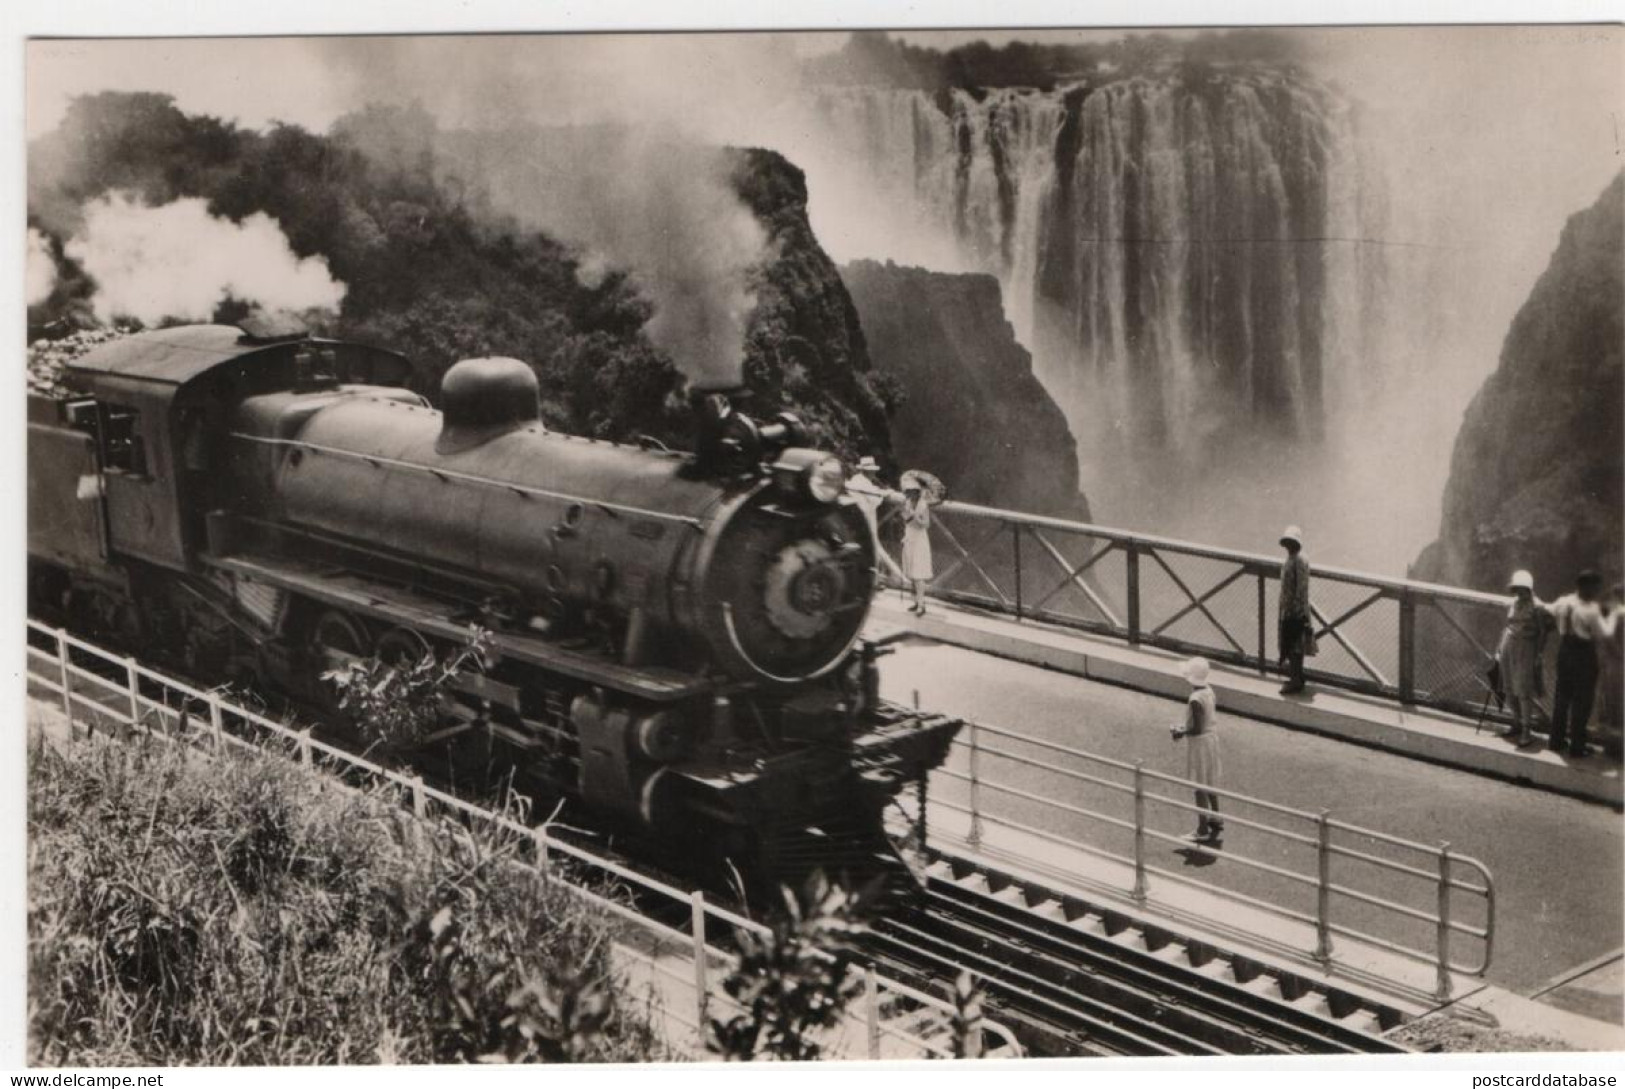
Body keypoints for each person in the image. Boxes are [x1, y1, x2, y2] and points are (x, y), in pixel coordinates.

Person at [1548, 570, 1618, 758]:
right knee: (1582, 701)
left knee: (1562, 698)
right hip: (1583, 655)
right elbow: (1605, 634)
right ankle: (1577, 746)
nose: (1597, 590)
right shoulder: (1592, 609)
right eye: (1596, 587)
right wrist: (1613, 615)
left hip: (1564, 651)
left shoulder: (1564, 601)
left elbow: (1547, 610)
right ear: (1588, 587)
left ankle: (1555, 740)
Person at [1169, 656, 1223, 843]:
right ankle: (1216, 816)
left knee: (1199, 786)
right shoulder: (1209, 691)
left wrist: (1180, 730)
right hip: (1211, 740)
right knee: (1210, 780)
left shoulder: (1195, 699)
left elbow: (1197, 728)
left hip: (1200, 744)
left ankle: (1202, 828)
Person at [1495, 569, 1551, 748]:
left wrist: (1539, 654)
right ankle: (1516, 722)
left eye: (1523, 589)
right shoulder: (1513, 603)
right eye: (1517, 589)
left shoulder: (1538, 607)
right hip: (1508, 644)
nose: (1519, 592)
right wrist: (1498, 648)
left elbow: (1543, 632)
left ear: (1530, 588)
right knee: (1509, 686)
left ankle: (1527, 730)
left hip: (1526, 647)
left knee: (1524, 689)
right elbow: (1507, 626)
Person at [845, 456, 907, 585]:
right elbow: (876, 497)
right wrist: (888, 492)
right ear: (865, 471)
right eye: (871, 470)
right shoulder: (862, 483)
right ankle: (898, 578)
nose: (873, 473)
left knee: (871, 547)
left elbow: (874, 493)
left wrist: (883, 492)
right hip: (866, 518)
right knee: (874, 547)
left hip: (858, 518)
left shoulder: (856, 480)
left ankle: (878, 578)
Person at [1277, 526, 1313, 695]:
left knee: (1294, 646)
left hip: (1295, 610)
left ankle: (1295, 680)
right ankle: (1296, 677)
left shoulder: (1298, 560)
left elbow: (1301, 588)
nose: (1288, 545)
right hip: (1289, 608)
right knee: (1292, 645)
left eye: (1291, 541)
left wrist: (1297, 611)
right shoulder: (1292, 558)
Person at [900, 485, 933, 616]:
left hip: (919, 539)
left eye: (911, 492)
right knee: (911, 571)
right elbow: (906, 520)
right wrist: (906, 514)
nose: (909, 494)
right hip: (909, 536)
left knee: (919, 572)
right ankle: (915, 601)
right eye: (908, 492)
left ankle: (922, 604)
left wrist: (915, 515)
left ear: (917, 492)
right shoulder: (908, 502)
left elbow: (926, 524)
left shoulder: (923, 505)